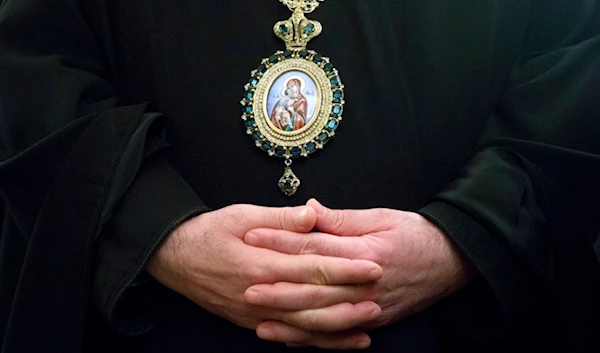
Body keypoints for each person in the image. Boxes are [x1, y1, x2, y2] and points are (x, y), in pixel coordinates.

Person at [0, 1, 599, 352]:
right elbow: (30, 67)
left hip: (463, 325)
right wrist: (154, 231)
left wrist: (470, 234)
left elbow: (579, 64)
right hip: (155, 324)